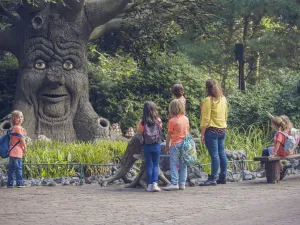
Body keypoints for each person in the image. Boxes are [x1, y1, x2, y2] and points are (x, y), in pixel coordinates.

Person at [200, 79, 228, 186]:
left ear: (207, 88)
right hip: (222, 129)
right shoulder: (223, 99)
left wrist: (202, 134)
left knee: (214, 155)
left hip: (211, 130)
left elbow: (206, 119)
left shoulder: (208, 100)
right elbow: (226, 114)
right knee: (222, 153)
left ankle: (212, 178)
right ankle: (223, 176)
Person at [163, 99, 190, 191]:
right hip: (185, 144)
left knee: (174, 164)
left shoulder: (172, 121)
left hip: (175, 144)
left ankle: (174, 183)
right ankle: (182, 183)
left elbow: (169, 135)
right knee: (183, 164)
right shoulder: (186, 119)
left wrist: (167, 146)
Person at [137, 101, 163, 192]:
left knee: (149, 165)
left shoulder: (142, 122)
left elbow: (140, 132)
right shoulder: (158, 120)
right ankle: (155, 184)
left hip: (146, 146)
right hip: (156, 145)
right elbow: (161, 130)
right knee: (156, 165)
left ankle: (149, 185)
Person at [7, 110, 26, 188]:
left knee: (11, 168)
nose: (20, 119)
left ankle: (10, 183)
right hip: (17, 152)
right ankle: (19, 182)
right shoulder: (19, 128)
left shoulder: (13, 128)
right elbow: (21, 139)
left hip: (11, 151)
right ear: (14, 119)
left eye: (21, 117)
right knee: (19, 168)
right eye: (18, 117)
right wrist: (25, 147)